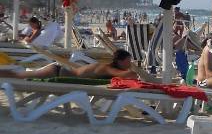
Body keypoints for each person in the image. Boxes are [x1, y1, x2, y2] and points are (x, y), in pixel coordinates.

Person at [0, 48, 137, 80]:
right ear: (119, 61)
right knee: (18, 76)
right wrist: (135, 72)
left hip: (59, 71)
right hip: (56, 72)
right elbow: (129, 74)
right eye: (128, 61)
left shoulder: (107, 67)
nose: (130, 63)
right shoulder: (107, 68)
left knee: (19, 75)